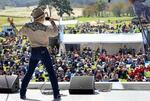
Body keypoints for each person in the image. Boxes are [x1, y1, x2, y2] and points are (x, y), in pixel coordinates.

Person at [8, 7, 61, 100]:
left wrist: (12, 24)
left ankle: (22, 93)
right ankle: (56, 94)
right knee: (51, 73)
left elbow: (17, 33)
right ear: (42, 17)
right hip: (43, 51)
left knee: (29, 73)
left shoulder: (27, 26)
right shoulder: (45, 28)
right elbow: (56, 32)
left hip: (34, 51)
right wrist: (52, 21)